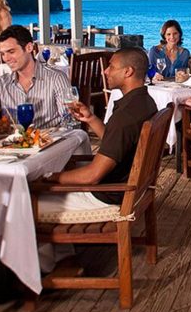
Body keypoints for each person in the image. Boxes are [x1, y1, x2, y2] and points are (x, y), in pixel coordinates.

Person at [38, 47, 158, 212]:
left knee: (23, 202)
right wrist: (91, 118)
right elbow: (118, 141)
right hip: (127, 188)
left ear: (128, 72)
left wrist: (48, 176)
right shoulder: (145, 103)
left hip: (107, 196)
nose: (105, 71)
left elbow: (92, 176)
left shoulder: (126, 117)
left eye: (111, 67)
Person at [0, 25, 73, 129]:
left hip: (52, 141)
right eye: (3, 54)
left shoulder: (56, 78)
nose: (6, 58)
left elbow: (68, 119)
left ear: (29, 48)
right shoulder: (2, 83)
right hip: (13, 143)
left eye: (11, 52)